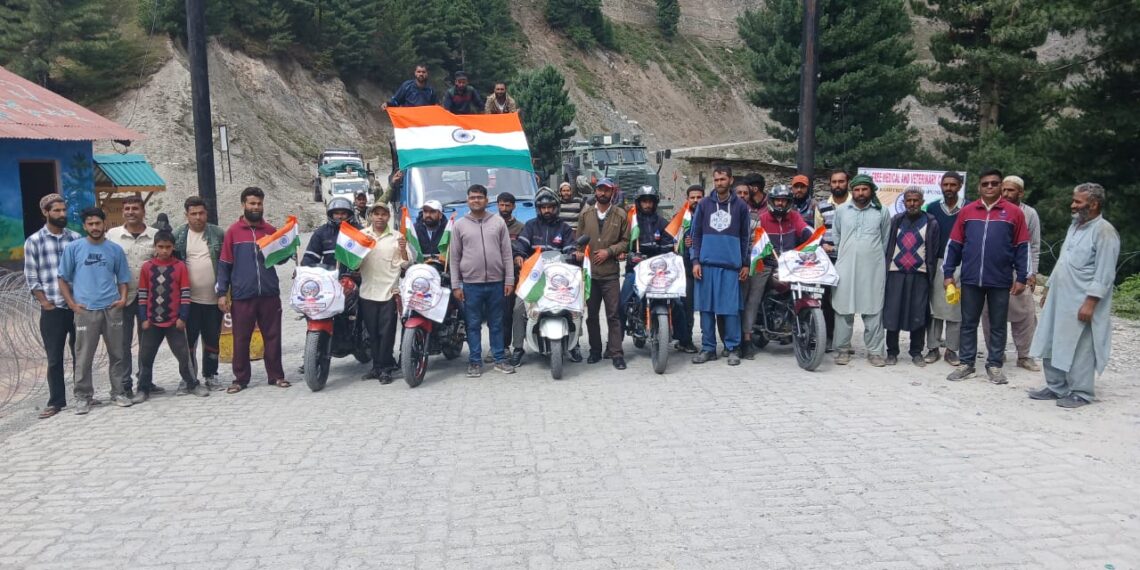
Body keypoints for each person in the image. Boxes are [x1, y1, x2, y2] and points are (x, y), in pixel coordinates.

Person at [1028, 183, 1119, 408]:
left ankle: (1081, 392)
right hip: (1060, 296)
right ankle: (1056, 386)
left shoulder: (1104, 231)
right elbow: (1062, 262)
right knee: (1051, 339)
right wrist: (1049, 288)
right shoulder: (1075, 226)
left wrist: (1091, 302)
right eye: (1074, 200)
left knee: (1081, 346)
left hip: (1082, 300)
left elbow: (1105, 273)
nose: (1073, 205)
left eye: (1078, 202)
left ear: (1094, 204)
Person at [942, 168, 1030, 384]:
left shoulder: (1014, 213)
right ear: (979, 187)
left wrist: (1022, 277)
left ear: (1000, 186)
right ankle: (967, 364)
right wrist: (948, 273)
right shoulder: (968, 211)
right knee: (969, 323)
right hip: (971, 278)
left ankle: (995, 365)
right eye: (985, 184)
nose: (990, 187)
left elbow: (1023, 247)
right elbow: (954, 244)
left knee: (998, 324)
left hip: (1000, 279)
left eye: (994, 183)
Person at [215, 187, 291, 393]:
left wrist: (289, 245)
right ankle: (240, 379)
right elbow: (224, 264)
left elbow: (282, 259)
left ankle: (276, 375)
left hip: (269, 294)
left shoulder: (270, 231)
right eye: (252, 203)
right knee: (241, 338)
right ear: (243, 205)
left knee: (273, 336)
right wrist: (222, 293)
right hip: (242, 295)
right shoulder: (233, 232)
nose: (256, 207)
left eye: (259, 203)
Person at [57, 207, 132, 414]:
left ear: (104, 224)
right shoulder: (74, 249)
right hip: (85, 310)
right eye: (90, 224)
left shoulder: (114, 250)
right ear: (84, 226)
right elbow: (62, 278)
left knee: (118, 353)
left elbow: (123, 278)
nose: (95, 227)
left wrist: (123, 299)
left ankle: (118, 392)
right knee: (84, 356)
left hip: (111, 308)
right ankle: (83, 397)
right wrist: (72, 304)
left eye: (98, 223)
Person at [24, 194, 81, 418]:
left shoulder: (75, 239)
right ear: (46, 213)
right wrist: (44, 302)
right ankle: (57, 401)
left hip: (76, 306)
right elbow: (31, 275)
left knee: (81, 353)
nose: (62, 214)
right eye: (56, 211)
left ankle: (83, 395)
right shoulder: (34, 241)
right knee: (55, 357)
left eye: (64, 210)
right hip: (53, 308)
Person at [449, 184, 516, 377]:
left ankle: (499, 359)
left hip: (497, 283)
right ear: (467, 200)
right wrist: (456, 285)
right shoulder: (460, 225)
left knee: (497, 323)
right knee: (473, 324)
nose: (476, 200)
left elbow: (506, 254)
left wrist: (509, 280)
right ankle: (475, 361)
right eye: (472, 197)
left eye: (479, 197)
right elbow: (454, 257)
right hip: (471, 284)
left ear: (487, 201)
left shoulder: (498, 223)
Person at [509, 188, 580, 366]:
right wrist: (518, 255)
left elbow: (570, 247)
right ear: (538, 209)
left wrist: (574, 254)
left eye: (550, 207)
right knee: (518, 308)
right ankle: (518, 348)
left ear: (556, 208)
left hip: (559, 277)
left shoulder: (564, 228)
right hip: (535, 279)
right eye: (543, 207)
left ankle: (575, 345)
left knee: (576, 305)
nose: (547, 210)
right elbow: (521, 246)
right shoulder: (531, 226)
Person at [690, 165, 750, 366]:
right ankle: (708, 348)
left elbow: (745, 238)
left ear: (730, 180)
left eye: (722, 179)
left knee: (730, 310)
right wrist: (695, 261)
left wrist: (745, 264)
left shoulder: (741, 206)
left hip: (731, 267)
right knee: (706, 310)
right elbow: (695, 234)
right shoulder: (704, 204)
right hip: (706, 266)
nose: (719, 183)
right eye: (716, 180)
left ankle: (732, 348)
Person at [135, 230, 207, 399]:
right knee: (146, 356)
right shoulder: (147, 267)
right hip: (152, 322)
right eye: (161, 247)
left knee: (183, 356)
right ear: (155, 247)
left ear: (173, 247)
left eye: (168, 247)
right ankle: (143, 388)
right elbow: (143, 295)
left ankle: (192, 383)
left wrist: (182, 317)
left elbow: (185, 294)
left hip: (174, 322)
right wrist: (144, 318)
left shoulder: (179, 266)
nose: (164, 250)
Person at [743, 185, 812, 358]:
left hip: (790, 263)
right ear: (771, 201)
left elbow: (805, 230)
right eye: (777, 200)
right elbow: (752, 239)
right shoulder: (762, 218)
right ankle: (746, 338)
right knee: (754, 296)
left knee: (809, 287)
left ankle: (805, 327)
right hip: (765, 263)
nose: (780, 204)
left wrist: (814, 238)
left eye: (784, 200)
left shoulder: (794, 217)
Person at [982, 175, 1042, 371]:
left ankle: (1025, 355)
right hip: (994, 270)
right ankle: (995, 353)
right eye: (1004, 189)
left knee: (1025, 314)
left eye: (1011, 190)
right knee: (990, 313)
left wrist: (1031, 273)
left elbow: (1033, 246)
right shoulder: (993, 209)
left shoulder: (1030, 214)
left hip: (1019, 270)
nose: (1006, 194)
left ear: (1021, 193)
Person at [832, 174, 891, 367]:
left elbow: (885, 240)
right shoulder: (841, 211)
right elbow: (837, 237)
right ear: (852, 191)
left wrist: (870, 256)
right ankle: (842, 349)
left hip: (873, 269)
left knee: (873, 309)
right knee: (843, 309)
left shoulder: (881, 212)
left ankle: (874, 352)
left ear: (871, 190)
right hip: (846, 267)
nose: (860, 193)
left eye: (864, 189)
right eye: (856, 189)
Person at [105, 195, 157, 399]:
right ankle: (124, 384)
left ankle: (145, 382)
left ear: (143, 211)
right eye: (127, 208)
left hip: (149, 299)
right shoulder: (112, 236)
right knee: (122, 344)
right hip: (122, 298)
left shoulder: (155, 236)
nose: (130, 212)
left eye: (135, 208)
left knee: (148, 343)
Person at [883, 187, 941, 367]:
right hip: (895, 273)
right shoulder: (896, 221)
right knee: (893, 313)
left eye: (916, 200)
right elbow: (888, 245)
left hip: (920, 274)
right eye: (909, 200)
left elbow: (934, 249)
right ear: (904, 202)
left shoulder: (931, 222)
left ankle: (916, 352)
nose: (912, 203)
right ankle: (892, 352)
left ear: (922, 202)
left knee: (918, 313)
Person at [174, 196, 226, 391]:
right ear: (186, 215)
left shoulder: (218, 234)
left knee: (212, 340)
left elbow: (227, 264)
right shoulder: (178, 235)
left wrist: (225, 292)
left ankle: (211, 375)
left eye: (201, 213)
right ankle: (188, 377)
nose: (198, 217)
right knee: (187, 342)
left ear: (207, 213)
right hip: (188, 301)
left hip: (214, 300)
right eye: (193, 214)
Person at [578, 178, 630, 369]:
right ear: (595, 191)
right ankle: (594, 351)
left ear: (612, 193)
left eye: (606, 190)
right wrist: (579, 252)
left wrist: (610, 251)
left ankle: (616, 353)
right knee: (591, 315)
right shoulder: (586, 214)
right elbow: (579, 240)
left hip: (610, 274)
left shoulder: (620, 215)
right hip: (591, 275)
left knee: (614, 314)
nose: (602, 193)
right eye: (600, 190)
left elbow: (626, 241)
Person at [359, 202, 407, 383]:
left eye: (383, 214)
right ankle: (376, 366)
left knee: (386, 332)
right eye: (376, 214)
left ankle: (386, 368)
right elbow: (353, 262)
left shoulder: (397, 237)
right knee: (371, 332)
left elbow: (406, 264)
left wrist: (403, 249)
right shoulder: (361, 236)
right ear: (370, 216)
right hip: (368, 290)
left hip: (389, 291)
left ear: (389, 217)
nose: (380, 217)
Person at [619, 186, 676, 335]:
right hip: (635, 270)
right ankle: (615, 344)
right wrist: (627, 254)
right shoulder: (631, 222)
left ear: (655, 203)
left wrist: (666, 252)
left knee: (679, 302)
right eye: (644, 201)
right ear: (638, 203)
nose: (647, 205)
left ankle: (684, 340)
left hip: (659, 271)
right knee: (622, 302)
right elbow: (623, 242)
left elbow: (669, 244)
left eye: (650, 201)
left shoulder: (663, 223)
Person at [925, 171, 965, 365]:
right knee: (934, 308)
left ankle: (951, 349)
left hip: (961, 264)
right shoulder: (932, 208)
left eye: (953, 185)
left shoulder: (969, 208)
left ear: (960, 186)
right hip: (937, 262)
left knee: (955, 308)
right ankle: (933, 348)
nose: (949, 188)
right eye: (945, 185)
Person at [817, 170, 851, 350]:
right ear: (830, 184)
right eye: (834, 182)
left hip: (849, 259)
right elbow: (816, 233)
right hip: (828, 260)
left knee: (846, 300)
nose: (838, 185)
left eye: (841, 182)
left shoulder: (855, 205)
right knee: (826, 300)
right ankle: (829, 337)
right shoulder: (822, 206)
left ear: (848, 183)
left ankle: (844, 340)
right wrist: (822, 245)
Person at [492, 192, 525, 363]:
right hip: (495, 275)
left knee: (513, 311)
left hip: (515, 276)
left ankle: (515, 346)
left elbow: (523, 248)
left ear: (513, 206)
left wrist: (517, 256)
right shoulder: (491, 224)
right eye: (501, 205)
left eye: (507, 205)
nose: (504, 208)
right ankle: (500, 347)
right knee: (498, 314)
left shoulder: (520, 228)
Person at [671, 185, 704, 354]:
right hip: (686, 269)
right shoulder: (680, 219)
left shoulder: (708, 216)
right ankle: (686, 340)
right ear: (687, 199)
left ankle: (708, 341)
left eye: (699, 197)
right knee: (687, 307)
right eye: (693, 197)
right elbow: (671, 239)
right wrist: (684, 242)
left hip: (705, 267)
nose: (696, 201)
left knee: (707, 307)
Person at [303, 198, 358, 270]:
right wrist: (303, 271)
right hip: (329, 277)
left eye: (343, 213)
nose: (340, 216)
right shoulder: (321, 232)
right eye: (336, 213)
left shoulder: (359, 231)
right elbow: (310, 257)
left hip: (355, 277)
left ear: (349, 214)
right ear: (331, 214)